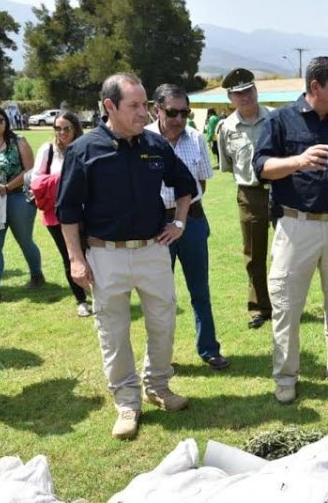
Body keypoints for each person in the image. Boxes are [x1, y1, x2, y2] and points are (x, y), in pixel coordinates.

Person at [56, 73, 197, 440]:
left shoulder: (155, 144)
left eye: (144, 103)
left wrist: (179, 223)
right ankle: (127, 402)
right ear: (109, 106)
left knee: (163, 323)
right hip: (106, 256)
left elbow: (186, 187)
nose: (143, 112)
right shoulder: (84, 150)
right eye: (134, 105)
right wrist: (76, 259)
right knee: (113, 332)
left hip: (153, 251)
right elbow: (67, 212)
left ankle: (159, 387)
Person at [253, 56, 328, 404]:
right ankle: (286, 376)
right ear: (314, 87)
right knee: (288, 305)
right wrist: (298, 161)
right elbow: (261, 167)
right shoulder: (280, 120)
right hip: (295, 226)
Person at [146, 84, 228, 370]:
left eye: (185, 112)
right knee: (160, 296)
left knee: (200, 291)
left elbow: (200, 183)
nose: (179, 118)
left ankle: (209, 349)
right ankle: (160, 356)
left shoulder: (196, 139)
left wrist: (183, 215)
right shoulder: (143, 140)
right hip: (156, 227)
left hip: (192, 221)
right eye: (172, 112)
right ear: (156, 109)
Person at [217, 68, 273, 330]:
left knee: (291, 252)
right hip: (249, 194)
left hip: (281, 191)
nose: (245, 97)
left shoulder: (275, 118)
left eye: (248, 90)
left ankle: (288, 303)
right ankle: (260, 307)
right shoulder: (226, 127)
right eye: (238, 94)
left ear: (256, 90)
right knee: (254, 253)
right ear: (231, 98)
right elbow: (227, 164)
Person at [0, 105, 44, 307]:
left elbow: (30, 170)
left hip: (17, 196)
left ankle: (37, 275)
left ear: (6, 122)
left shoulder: (18, 142)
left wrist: (7, 187)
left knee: (24, 240)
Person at [31, 111, 90, 317]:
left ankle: (99, 293)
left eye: (67, 128)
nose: (62, 133)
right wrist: (60, 179)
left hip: (85, 211)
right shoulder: (47, 150)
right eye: (58, 128)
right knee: (70, 256)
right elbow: (35, 180)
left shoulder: (86, 147)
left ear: (76, 128)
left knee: (91, 253)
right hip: (55, 213)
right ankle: (81, 300)